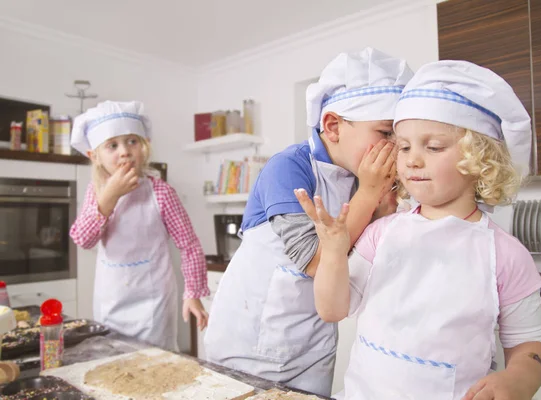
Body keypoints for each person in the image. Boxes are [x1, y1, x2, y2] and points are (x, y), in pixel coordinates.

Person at [295, 60, 541, 399]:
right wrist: (334, 251)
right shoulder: (381, 234)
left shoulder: (504, 253)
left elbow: (530, 344)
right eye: (403, 146)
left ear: (479, 159)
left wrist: (519, 377)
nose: (412, 160)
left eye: (433, 147)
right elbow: (332, 309)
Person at [204, 47, 414, 396]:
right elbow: (318, 259)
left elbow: (358, 260)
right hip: (249, 345)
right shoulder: (288, 167)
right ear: (332, 126)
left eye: (399, 139)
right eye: (384, 133)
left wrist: (382, 210)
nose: (393, 149)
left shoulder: (358, 178)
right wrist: (370, 193)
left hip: (313, 349)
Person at [69, 100, 209, 351]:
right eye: (112, 145)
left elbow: (189, 245)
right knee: (112, 364)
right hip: (111, 298)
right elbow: (83, 239)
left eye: (132, 141)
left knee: (156, 365)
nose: (124, 151)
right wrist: (109, 196)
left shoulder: (162, 192)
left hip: (154, 303)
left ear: (145, 147)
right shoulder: (96, 192)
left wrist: (193, 292)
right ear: (94, 156)